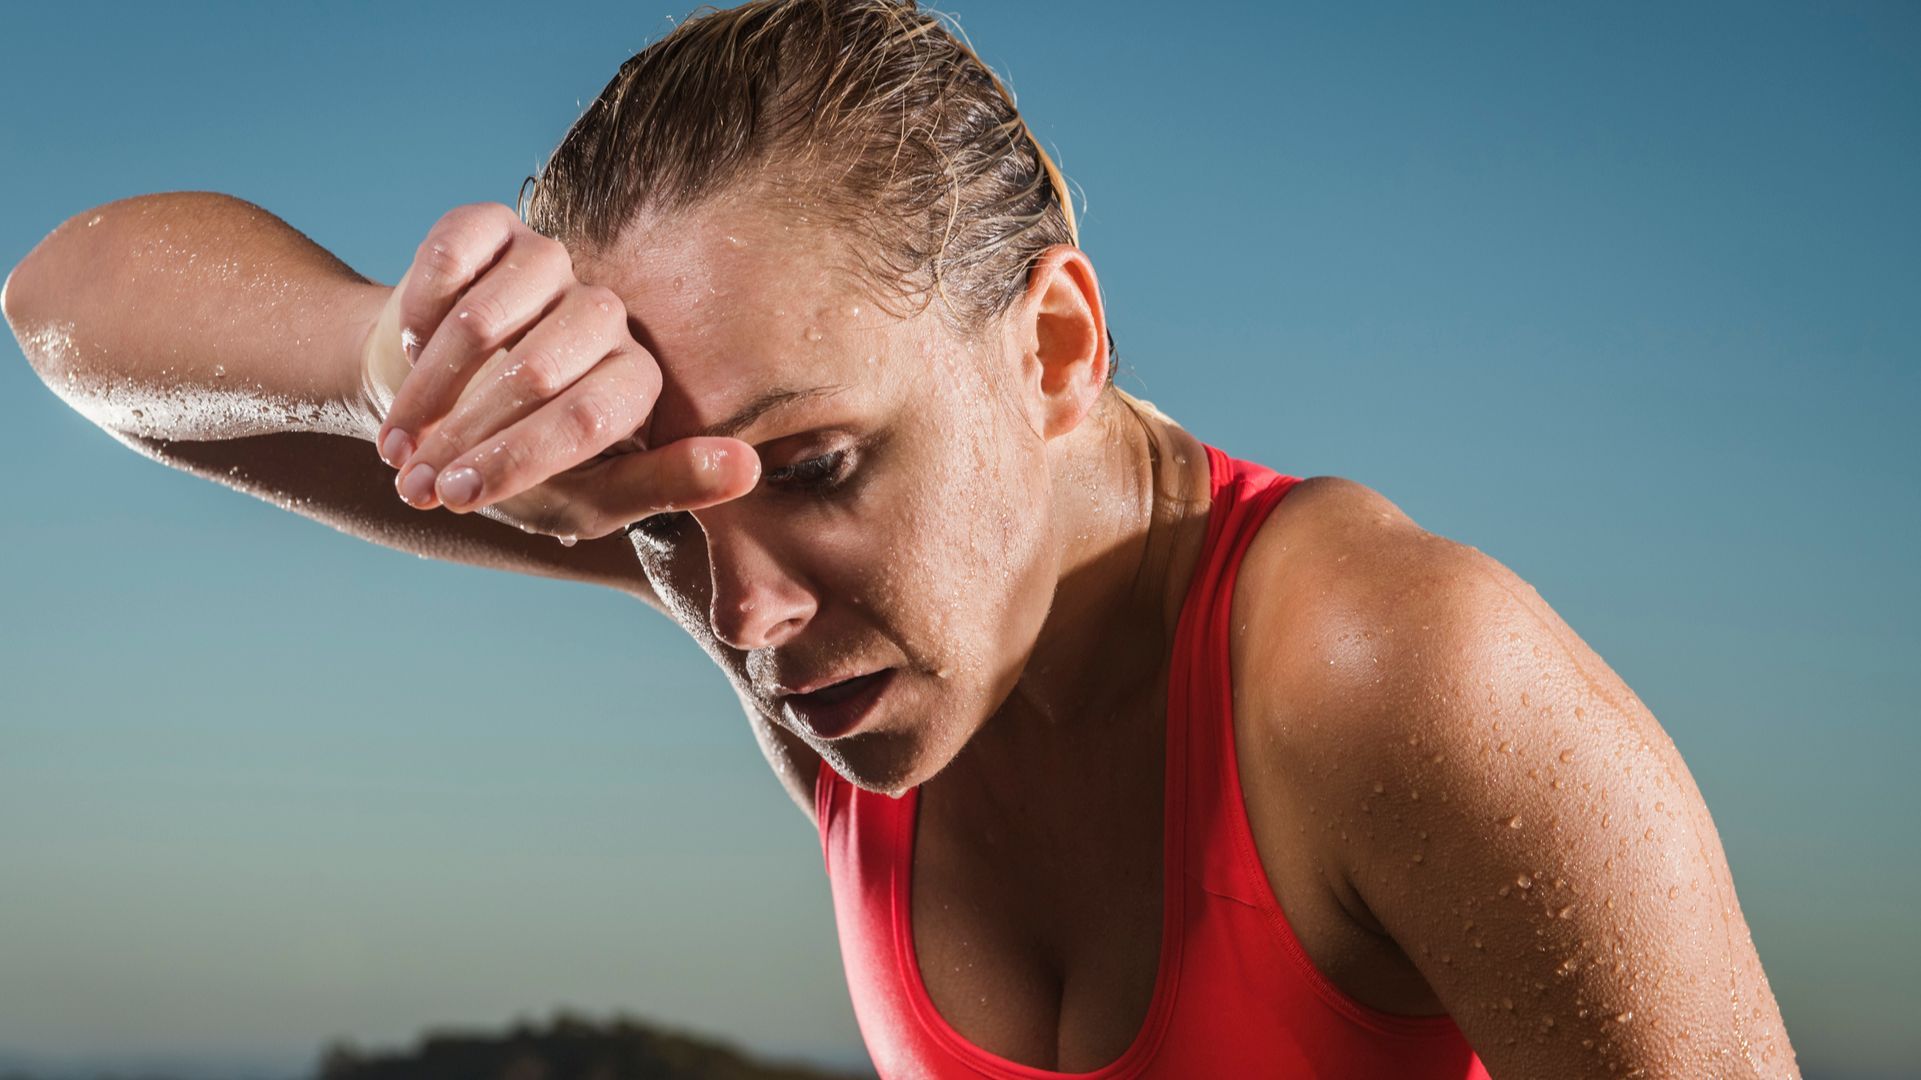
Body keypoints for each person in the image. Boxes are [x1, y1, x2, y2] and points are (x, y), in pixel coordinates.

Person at [4, 1, 1799, 1076]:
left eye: (826, 463)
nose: (748, 617)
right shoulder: (777, 570)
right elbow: (67, 306)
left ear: (1054, 350)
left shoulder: (1394, 677)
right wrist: (386, 357)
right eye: (657, 522)